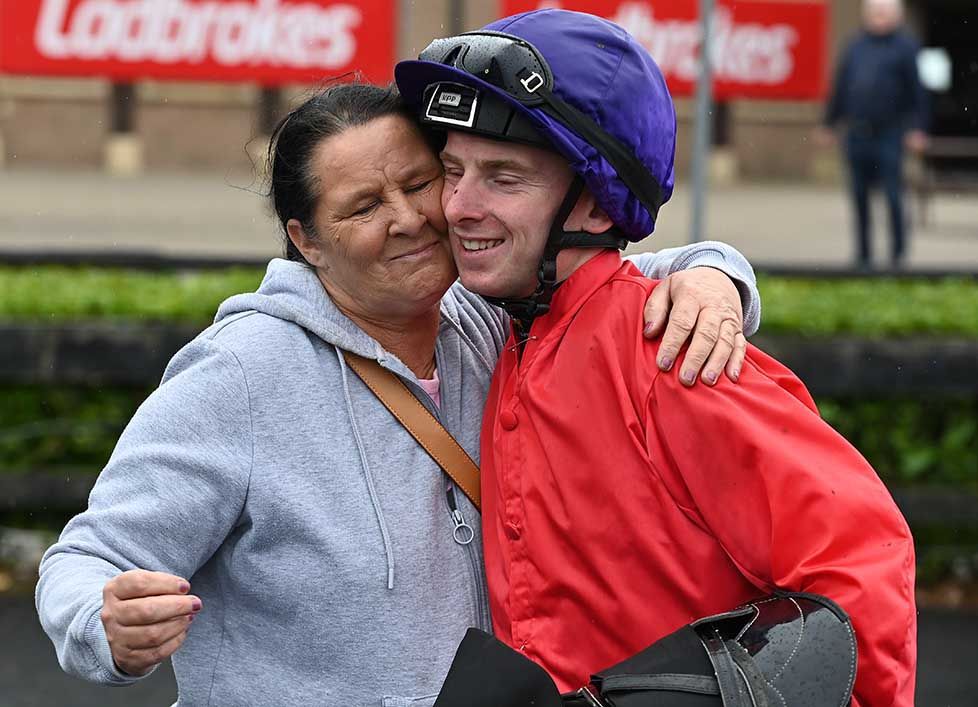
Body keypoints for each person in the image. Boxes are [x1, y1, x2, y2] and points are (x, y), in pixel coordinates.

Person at [35, 81, 761, 704]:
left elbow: (629, 266)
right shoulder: (239, 375)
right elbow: (84, 559)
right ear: (306, 239)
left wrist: (715, 277)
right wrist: (108, 626)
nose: (409, 219)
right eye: (363, 206)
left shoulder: (487, 314)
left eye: (420, 185)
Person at [395, 8, 917, 706]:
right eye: (452, 170)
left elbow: (863, 571)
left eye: (503, 178)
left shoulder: (674, 352)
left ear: (599, 204)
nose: (459, 205)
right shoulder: (504, 334)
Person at [816, 0, 929, 269]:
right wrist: (829, 123)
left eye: (884, 13)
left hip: (889, 134)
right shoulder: (855, 46)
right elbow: (841, 87)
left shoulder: (906, 48)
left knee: (892, 196)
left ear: (896, 17)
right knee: (859, 196)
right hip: (857, 134)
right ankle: (863, 257)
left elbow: (918, 93)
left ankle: (897, 256)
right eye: (874, 13)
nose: (878, 18)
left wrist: (918, 128)